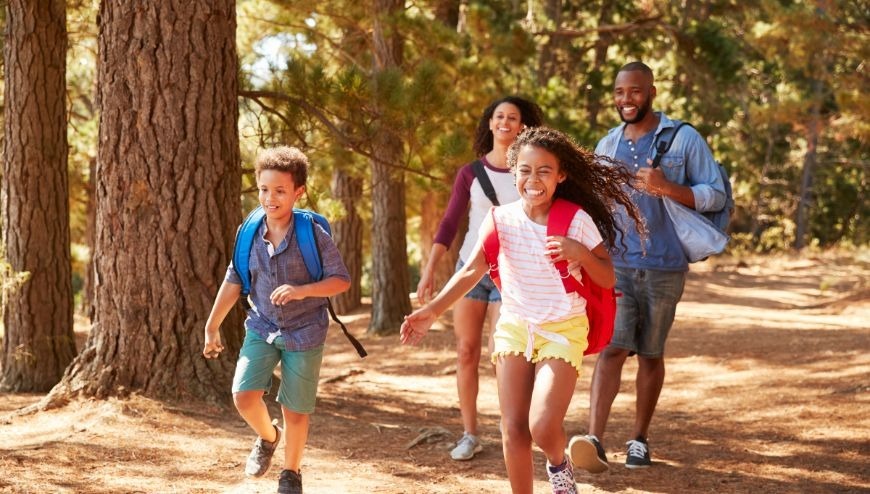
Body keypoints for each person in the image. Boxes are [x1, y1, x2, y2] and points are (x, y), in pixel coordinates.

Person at [402, 127, 642, 493]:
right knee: (513, 428)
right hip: (515, 326)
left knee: (542, 425)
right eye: (525, 170)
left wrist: (579, 253)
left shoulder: (575, 220)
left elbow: (607, 277)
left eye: (545, 171)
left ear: (561, 175)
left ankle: (559, 467)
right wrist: (432, 311)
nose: (534, 179)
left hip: (563, 327)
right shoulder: (500, 219)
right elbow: (471, 271)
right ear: (513, 172)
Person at [568, 61, 728, 473]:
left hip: (665, 265)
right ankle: (594, 439)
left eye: (635, 91)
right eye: (620, 92)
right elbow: (596, 205)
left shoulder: (684, 138)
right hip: (617, 263)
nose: (626, 100)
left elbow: (716, 195)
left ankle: (639, 440)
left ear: (652, 92)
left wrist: (667, 188)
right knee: (612, 348)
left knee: (651, 354)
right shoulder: (608, 144)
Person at [202, 146, 350, 494]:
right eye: (264, 189)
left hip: (305, 331)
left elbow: (341, 280)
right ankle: (268, 437)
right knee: (243, 396)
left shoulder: (312, 234)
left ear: (299, 192)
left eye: (280, 190)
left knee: (295, 409)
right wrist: (211, 326)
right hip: (262, 326)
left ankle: (291, 473)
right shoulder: (249, 232)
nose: (270, 198)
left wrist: (302, 291)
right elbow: (234, 278)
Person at [416, 96, 544, 461]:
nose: (505, 122)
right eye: (499, 116)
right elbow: (449, 222)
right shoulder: (470, 172)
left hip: (511, 274)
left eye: (512, 117)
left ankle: (512, 430)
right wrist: (429, 269)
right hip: (470, 270)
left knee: (500, 354)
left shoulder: (529, 170)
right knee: (466, 351)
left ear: (523, 126)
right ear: (490, 123)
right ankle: (470, 433)